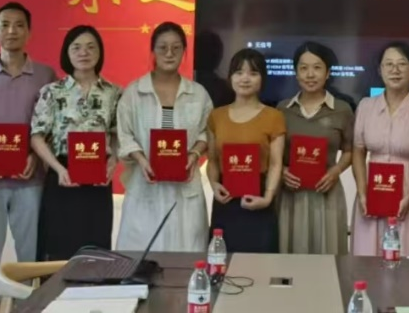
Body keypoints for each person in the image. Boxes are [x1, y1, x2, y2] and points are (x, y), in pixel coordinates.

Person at [0, 3, 56, 313]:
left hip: (31, 181)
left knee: (30, 260)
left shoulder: (45, 74)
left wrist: (35, 156)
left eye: (19, 25)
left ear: (29, 32)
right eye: (4, 25)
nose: (12, 31)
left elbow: (53, 125)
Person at [116, 21, 212, 251]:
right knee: (143, 254)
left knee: (187, 253)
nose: (169, 53)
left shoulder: (198, 94)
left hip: (185, 185)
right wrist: (141, 159)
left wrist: (194, 154)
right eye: (163, 47)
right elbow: (124, 134)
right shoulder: (134, 92)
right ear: (153, 51)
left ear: (184, 51)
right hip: (146, 184)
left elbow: (208, 131)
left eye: (176, 48)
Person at [30, 25, 122, 259]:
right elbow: (37, 136)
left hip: (98, 179)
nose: (84, 53)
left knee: (96, 250)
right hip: (63, 177)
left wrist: (113, 162)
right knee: (60, 248)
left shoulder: (113, 92)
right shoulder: (52, 91)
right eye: (77, 47)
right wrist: (58, 169)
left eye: (91, 47)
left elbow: (118, 134)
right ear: (67, 53)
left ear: (100, 52)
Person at [350, 41, 409, 256]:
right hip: (373, 194)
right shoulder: (365, 106)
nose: (395, 70)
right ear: (380, 70)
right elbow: (358, 151)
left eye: (402, 64)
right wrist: (363, 193)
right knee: (368, 258)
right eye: (389, 64)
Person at [277, 41, 354, 255]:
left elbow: (350, 151)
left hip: (327, 192)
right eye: (303, 68)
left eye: (317, 67)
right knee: (289, 253)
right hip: (290, 195)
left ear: (328, 73)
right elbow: (273, 152)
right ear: (296, 73)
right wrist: (282, 171)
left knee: (328, 253)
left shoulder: (342, 109)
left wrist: (336, 171)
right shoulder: (282, 109)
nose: (310, 74)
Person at [206, 48, 286, 252]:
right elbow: (213, 159)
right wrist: (214, 184)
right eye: (239, 72)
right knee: (222, 262)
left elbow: (276, 163)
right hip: (225, 200)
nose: (245, 78)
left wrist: (268, 197)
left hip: (259, 199)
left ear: (262, 79)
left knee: (261, 264)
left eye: (253, 73)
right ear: (230, 77)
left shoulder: (274, 116)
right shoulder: (216, 116)